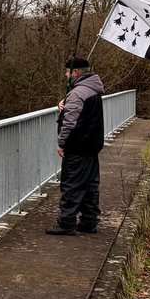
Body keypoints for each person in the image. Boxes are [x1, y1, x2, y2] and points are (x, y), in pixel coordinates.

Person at [46, 56, 105, 236]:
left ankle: (67, 222)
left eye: (67, 71)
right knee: (89, 184)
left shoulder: (77, 93)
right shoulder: (93, 89)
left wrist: (62, 143)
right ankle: (89, 220)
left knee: (71, 184)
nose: (65, 74)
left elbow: (70, 123)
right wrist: (63, 105)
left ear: (76, 72)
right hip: (92, 145)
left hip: (77, 146)